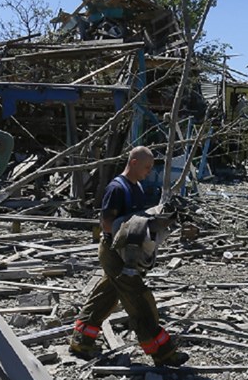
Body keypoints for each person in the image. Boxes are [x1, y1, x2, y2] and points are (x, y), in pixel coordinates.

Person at [69, 146, 189, 367]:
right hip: (114, 252)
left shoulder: (138, 187)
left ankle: (81, 340)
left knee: (106, 296)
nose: (148, 171)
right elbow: (107, 223)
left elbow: (137, 220)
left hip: (127, 252)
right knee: (139, 300)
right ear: (133, 163)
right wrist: (132, 226)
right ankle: (163, 352)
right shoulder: (116, 189)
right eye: (146, 167)